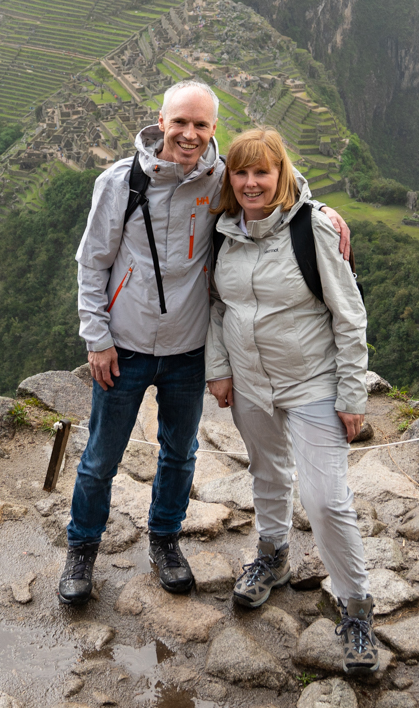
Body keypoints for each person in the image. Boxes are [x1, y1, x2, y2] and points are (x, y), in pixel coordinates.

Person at [59, 82, 351, 606]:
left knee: (179, 453)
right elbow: (92, 262)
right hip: (125, 344)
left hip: (188, 346)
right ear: (161, 122)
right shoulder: (121, 181)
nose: (189, 134)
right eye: (180, 122)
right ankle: (82, 549)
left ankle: (165, 541)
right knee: (101, 456)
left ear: (214, 128)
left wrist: (321, 208)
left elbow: (274, 183)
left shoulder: (220, 179)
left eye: (200, 125)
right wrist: (96, 337)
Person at [205, 127, 378, 675]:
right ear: (230, 178)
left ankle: (356, 606)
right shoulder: (223, 231)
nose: (251, 182)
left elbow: (349, 315)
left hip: (311, 383)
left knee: (326, 500)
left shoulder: (314, 228)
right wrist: (219, 369)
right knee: (267, 472)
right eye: (241, 172)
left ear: (281, 174)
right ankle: (273, 556)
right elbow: (218, 307)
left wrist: (352, 393)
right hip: (250, 382)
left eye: (262, 171)